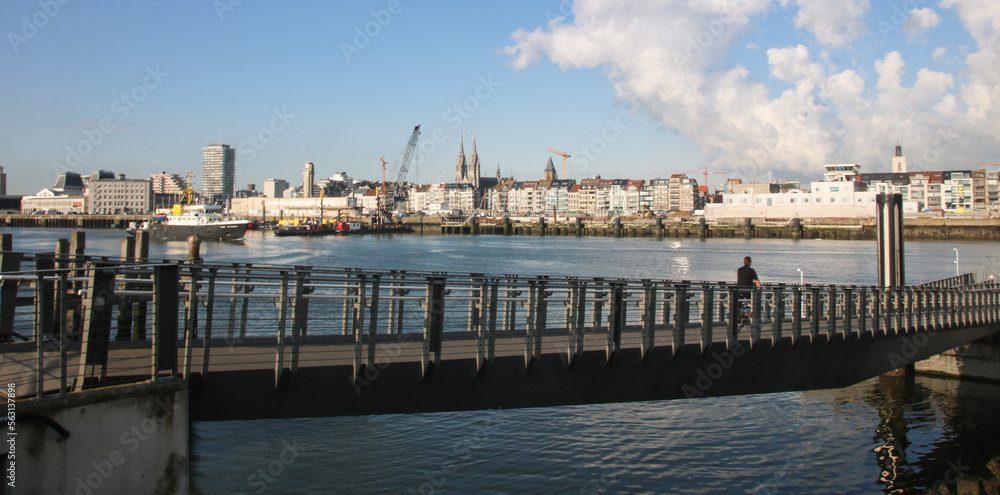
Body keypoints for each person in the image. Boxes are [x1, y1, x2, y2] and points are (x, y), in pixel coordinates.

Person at [736, 256, 761, 328]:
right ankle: (748, 318)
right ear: (750, 263)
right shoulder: (752, 270)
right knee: (750, 305)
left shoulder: (739, 270)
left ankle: (738, 318)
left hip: (739, 290)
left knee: (739, 305)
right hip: (747, 291)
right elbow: (757, 281)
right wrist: (760, 288)